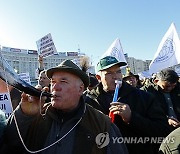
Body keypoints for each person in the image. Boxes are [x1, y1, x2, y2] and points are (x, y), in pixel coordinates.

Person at [1, 59, 128, 154]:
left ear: (80, 89)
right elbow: (10, 144)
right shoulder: (37, 115)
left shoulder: (102, 124)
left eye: (63, 81)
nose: (55, 87)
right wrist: (23, 114)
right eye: (53, 82)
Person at [84, 56, 170, 154]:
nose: (116, 76)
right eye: (109, 73)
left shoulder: (143, 97)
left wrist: (131, 117)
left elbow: (163, 131)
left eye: (118, 71)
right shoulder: (89, 101)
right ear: (99, 78)